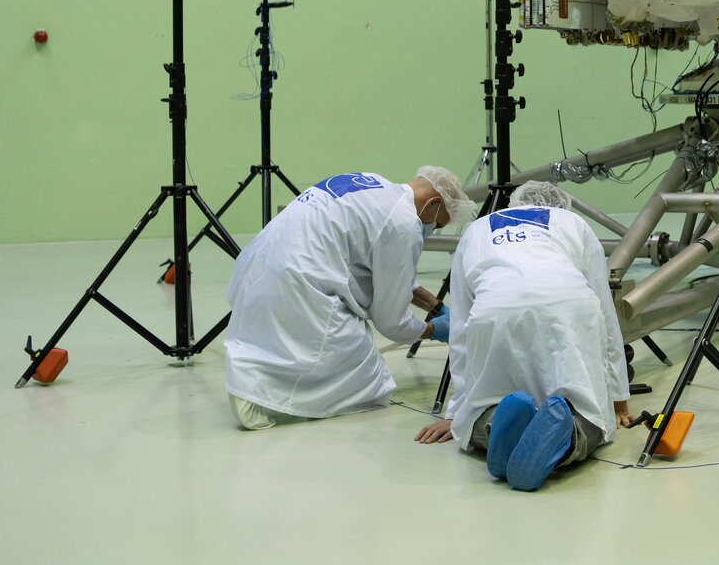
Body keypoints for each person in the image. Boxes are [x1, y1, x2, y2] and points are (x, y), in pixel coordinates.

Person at [413, 180, 632, 490]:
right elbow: (606, 315)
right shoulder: (572, 222)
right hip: (566, 306)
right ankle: (568, 434)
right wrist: (618, 400)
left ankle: (493, 431)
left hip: (496, 307)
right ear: (558, 205)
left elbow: (461, 329)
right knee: (592, 416)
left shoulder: (478, 229)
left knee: (477, 414)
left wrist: (458, 412)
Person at [224, 166, 473, 429]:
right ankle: (259, 400)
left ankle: (249, 378)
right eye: (437, 224)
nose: (431, 230)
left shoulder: (374, 184)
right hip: (299, 285)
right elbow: (391, 323)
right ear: (434, 204)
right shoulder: (405, 223)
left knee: (268, 342)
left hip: (257, 267)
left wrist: (435, 306)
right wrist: (434, 330)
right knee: (370, 382)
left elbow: (387, 273)